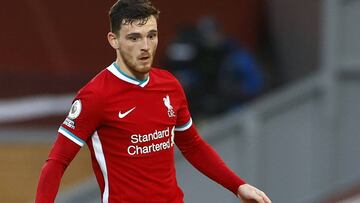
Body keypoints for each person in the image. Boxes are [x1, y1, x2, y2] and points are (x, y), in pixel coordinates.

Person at [35, 0, 272, 203]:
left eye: (152, 35)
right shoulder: (95, 96)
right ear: (113, 40)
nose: (145, 46)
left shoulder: (170, 84)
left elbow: (193, 145)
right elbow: (57, 162)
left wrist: (238, 186)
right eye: (134, 38)